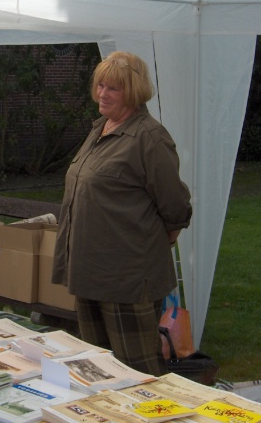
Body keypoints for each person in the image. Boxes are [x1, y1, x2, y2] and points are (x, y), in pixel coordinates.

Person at [52, 51, 192, 376]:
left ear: (133, 91)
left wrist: (159, 240)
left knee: (137, 372)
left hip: (126, 278)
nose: (102, 93)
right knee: (97, 367)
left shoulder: (149, 138)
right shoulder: (100, 128)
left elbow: (175, 205)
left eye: (113, 88)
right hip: (89, 272)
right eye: (100, 85)